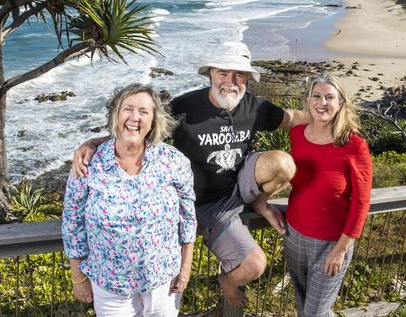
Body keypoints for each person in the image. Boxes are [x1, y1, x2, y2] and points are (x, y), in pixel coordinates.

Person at [72, 42, 310, 307]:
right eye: (223, 73)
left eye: (238, 75)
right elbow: (143, 129)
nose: (230, 81)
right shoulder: (185, 107)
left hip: (233, 193)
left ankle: (258, 205)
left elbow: (291, 117)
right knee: (252, 264)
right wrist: (95, 143)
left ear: (247, 79)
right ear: (210, 74)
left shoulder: (256, 107)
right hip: (194, 204)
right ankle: (219, 283)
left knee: (283, 163)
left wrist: (327, 114)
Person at [62, 84, 197, 316]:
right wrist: (78, 276)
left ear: (154, 120)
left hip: (163, 280)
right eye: (128, 109)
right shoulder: (89, 164)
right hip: (109, 284)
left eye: (143, 111)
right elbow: (72, 223)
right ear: (116, 115)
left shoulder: (174, 161)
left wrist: (185, 267)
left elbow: (187, 217)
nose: (134, 117)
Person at [285, 73, 372, 317]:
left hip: (332, 243)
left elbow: (361, 202)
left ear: (341, 103)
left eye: (329, 97)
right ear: (308, 100)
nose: (322, 103)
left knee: (316, 312)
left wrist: (342, 249)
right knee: (303, 306)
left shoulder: (354, 145)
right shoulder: (297, 135)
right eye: (317, 96)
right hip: (295, 235)